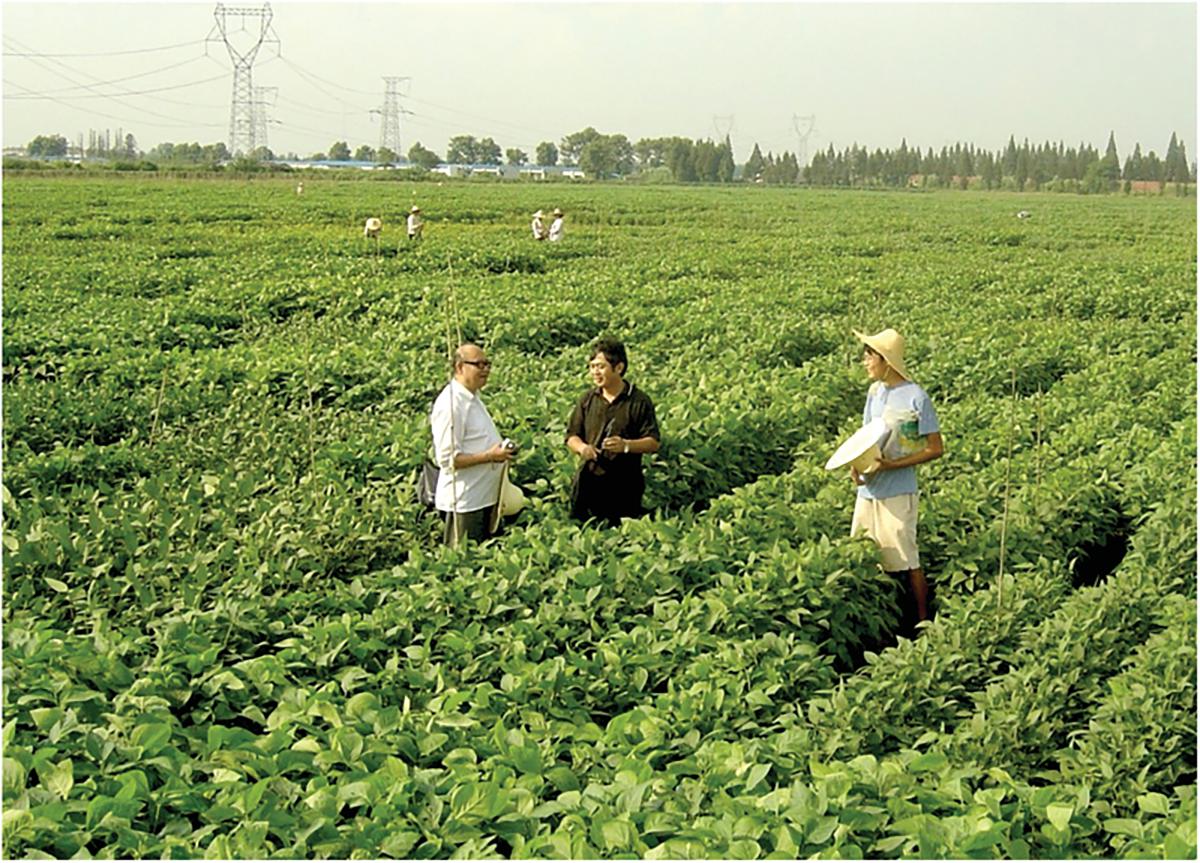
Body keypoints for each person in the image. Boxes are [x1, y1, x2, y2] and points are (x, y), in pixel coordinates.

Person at [848, 328, 944, 627]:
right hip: (869, 491)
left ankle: (922, 620)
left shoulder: (916, 397)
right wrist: (855, 465)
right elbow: (865, 437)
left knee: (907, 559)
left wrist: (895, 465)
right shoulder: (874, 393)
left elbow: (935, 448)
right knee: (866, 556)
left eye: (869, 356)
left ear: (886, 360)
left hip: (900, 490)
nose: (865, 362)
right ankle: (881, 623)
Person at [566, 337, 660, 525]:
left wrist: (626, 445)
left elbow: (653, 442)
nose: (595, 372)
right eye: (592, 367)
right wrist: (582, 448)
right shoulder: (588, 399)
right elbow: (571, 436)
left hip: (625, 486)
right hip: (588, 483)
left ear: (618, 368)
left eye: (601, 367)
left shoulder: (638, 401)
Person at [430, 344, 515, 545]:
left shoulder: (472, 397)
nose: (485, 369)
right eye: (478, 365)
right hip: (464, 503)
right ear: (460, 367)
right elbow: (447, 459)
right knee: (464, 562)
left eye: (487, 364)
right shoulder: (451, 405)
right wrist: (491, 456)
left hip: (482, 498)